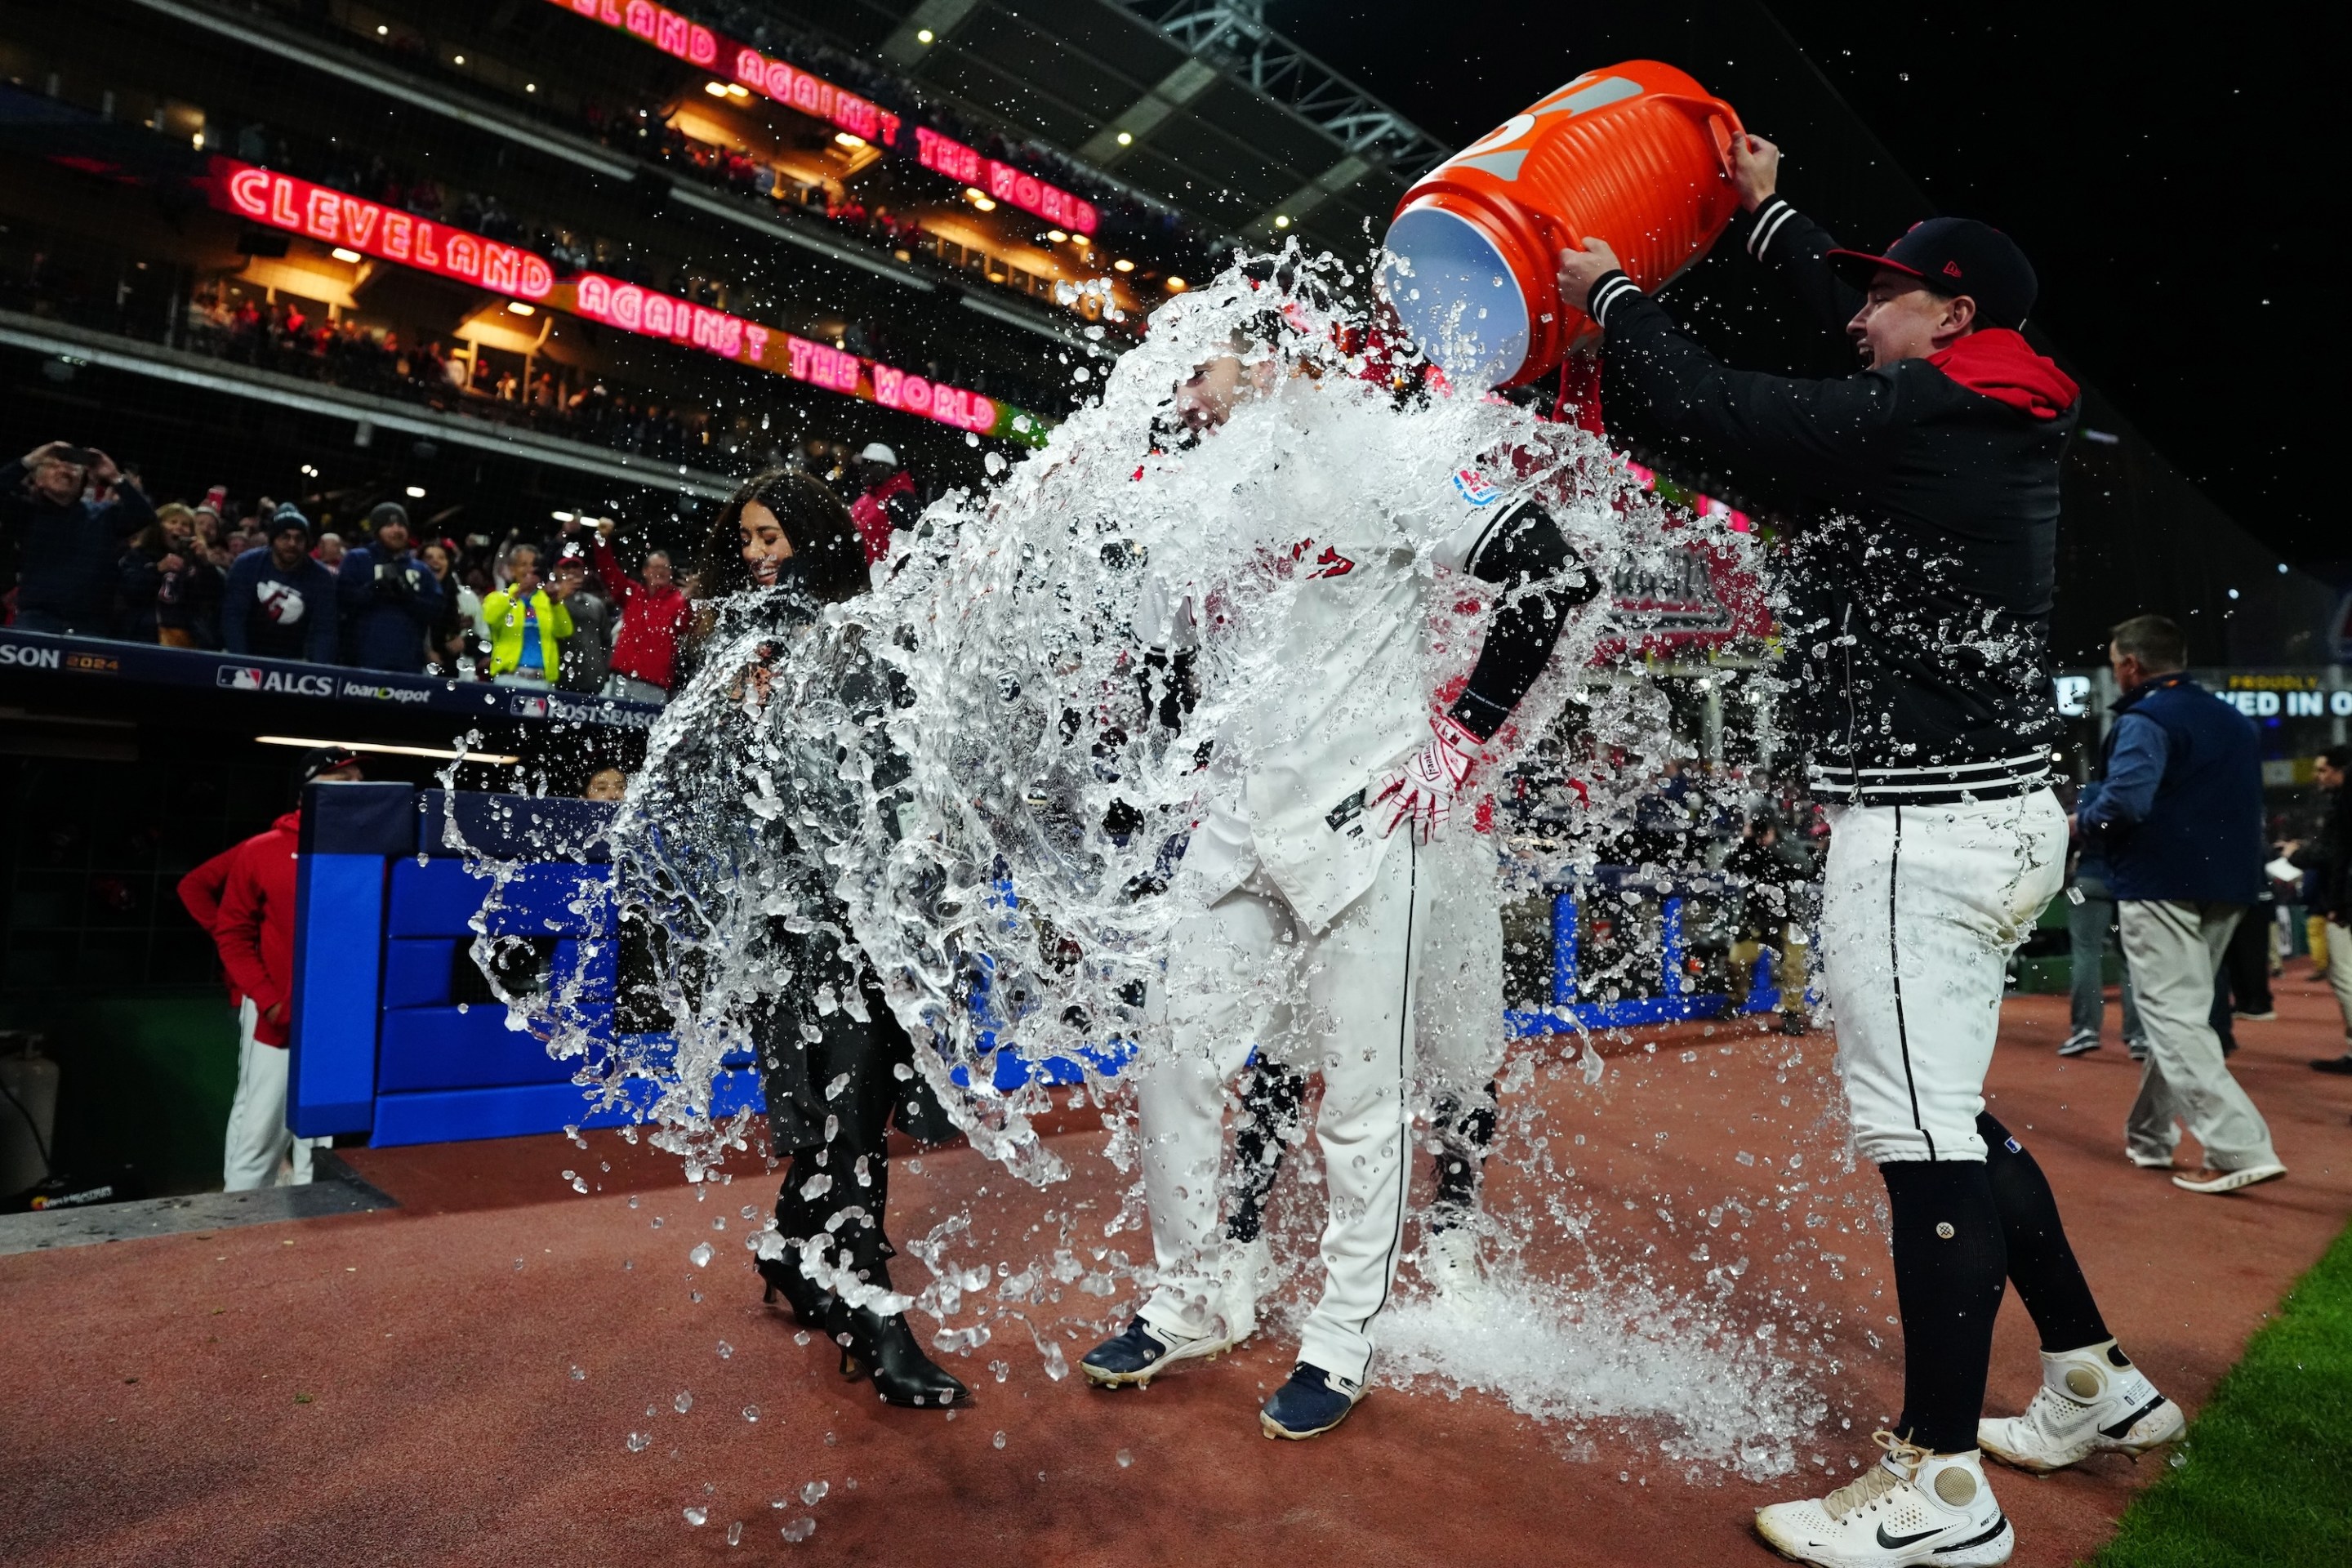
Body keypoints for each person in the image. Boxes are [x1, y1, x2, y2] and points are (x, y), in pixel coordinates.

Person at [1557, 136, 2183, 1566]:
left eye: (1886, 300)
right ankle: (2094, 1376)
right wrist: (1767, 211)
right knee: (1953, 1121)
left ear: (1955, 317)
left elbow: (1721, 399)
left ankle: (1942, 1488)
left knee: (1922, 1153)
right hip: (1989, 814)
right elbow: (1773, 396)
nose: (1857, 318)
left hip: (1923, 834)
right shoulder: (1972, 410)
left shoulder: (1924, 417)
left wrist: (1610, 299)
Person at [1076, 320, 1597, 1440]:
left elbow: (1552, 575)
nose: (1184, 391)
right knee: (1176, 1063)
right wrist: (1169, 772)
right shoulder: (1202, 489)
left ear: (1271, 359)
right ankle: (1191, 1295)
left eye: (1199, 364)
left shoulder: (1392, 453)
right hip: (1235, 827)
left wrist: (1462, 740)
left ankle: (1339, 1336)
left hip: (1366, 820)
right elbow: (1163, 654)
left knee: (1361, 1103)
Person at [688, 470, 971, 1409]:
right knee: (844, 1119)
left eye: (775, 538)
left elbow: (905, 773)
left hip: (870, 914)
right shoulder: (738, 646)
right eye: (750, 541)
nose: (760, 556)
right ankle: (872, 1317)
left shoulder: (868, 634)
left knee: (857, 1102)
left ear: (817, 539)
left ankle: (787, 1251)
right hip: (795, 926)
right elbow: (727, 791)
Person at [2077, 613, 2284, 1195]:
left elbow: (2126, 804)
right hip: (2231, 882)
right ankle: (2149, 1135)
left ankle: (2238, 1146)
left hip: (2160, 879)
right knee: (2184, 1018)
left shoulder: (2146, 717)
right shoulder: (2233, 720)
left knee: (2172, 1018)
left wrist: (2079, 822)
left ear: (2130, 666)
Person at [178, 746, 363, 1189]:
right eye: (342, 782)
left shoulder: (370, 853)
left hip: (341, 1024)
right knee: (258, 1134)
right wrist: (267, 993)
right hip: (280, 1018)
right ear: (307, 792)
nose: (356, 791)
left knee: (323, 1149)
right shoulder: (265, 849)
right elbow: (226, 924)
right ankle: (235, 1239)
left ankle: (312, 1242)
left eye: (360, 782)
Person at [2, 439, 155, 635]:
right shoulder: (26, 513)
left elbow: (144, 515)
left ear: (83, 480)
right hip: (38, 622)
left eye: (73, 467)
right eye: (53, 465)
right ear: (38, 480)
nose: (64, 470)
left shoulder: (102, 516)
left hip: (92, 626)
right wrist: (29, 461)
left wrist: (115, 477)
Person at [2288, 746, 2352, 1070]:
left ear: (2341, 770)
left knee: (2345, 978)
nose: (2317, 776)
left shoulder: (2343, 802)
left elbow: (2336, 855)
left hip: (2346, 902)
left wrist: (2295, 855)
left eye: (2323, 770)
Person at [2059, 825, 2146, 1059]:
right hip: (2132, 881)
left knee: (2086, 954)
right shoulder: (2141, 791)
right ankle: (2139, 1036)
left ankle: (2085, 1030)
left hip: (2090, 879)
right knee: (2132, 959)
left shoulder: (2092, 792)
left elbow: (2071, 833)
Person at [221, 505, 339, 662]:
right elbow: (233, 617)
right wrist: (241, 661)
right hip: (246, 652)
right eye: (285, 536)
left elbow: (324, 629)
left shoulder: (321, 576)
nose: (292, 543)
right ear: (272, 539)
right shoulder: (246, 564)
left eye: (299, 538)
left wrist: (317, 669)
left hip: (295, 659)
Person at [592, 521, 693, 705]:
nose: (660, 572)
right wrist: (601, 540)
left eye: (665, 568)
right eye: (656, 567)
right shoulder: (633, 594)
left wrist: (692, 599)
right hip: (621, 679)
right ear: (645, 571)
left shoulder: (679, 601)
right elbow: (609, 572)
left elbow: (686, 627)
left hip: (654, 685)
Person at [338, 503, 441, 672]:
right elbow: (343, 601)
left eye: (401, 525)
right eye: (389, 525)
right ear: (376, 530)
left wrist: (410, 598)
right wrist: (374, 590)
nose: (397, 530)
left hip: (409, 665)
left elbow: (436, 611)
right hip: (361, 663)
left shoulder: (421, 569)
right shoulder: (357, 559)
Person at [481, 542, 574, 687]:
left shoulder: (548, 599)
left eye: (533, 565)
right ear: (512, 569)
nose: (529, 570)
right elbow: (489, 617)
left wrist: (556, 603)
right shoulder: (499, 597)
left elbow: (565, 631)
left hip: (542, 680)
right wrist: (518, 592)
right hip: (507, 678)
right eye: (523, 564)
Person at [847, 442, 920, 567]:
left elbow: (908, 549)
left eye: (870, 464)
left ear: (887, 468)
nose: (863, 469)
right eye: (863, 464)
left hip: (881, 580)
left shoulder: (902, 498)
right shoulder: (866, 497)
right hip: (859, 575)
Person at [550, 554, 611, 693]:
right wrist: (557, 598)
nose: (572, 571)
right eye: (566, 567)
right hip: (557, 680)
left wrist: (604, 672)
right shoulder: (546, 599)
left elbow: (606, 642)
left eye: (576, 567)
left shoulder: (596, 604)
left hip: (592, 681)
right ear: (556, 571)